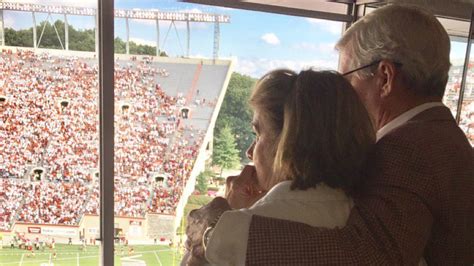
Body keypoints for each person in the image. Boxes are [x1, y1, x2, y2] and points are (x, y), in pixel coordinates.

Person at [185, 4, 474, 265]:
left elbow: (368, 256)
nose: (340, 97)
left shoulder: (408, 149)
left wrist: (218, 233)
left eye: (345, 79)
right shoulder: (441, 139)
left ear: (385, 78)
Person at [184, 69, 375, 265]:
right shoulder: (362, 220)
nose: (249, 152)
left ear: (288, 142)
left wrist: (227, 215)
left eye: (258, 135)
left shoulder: (238, 233)